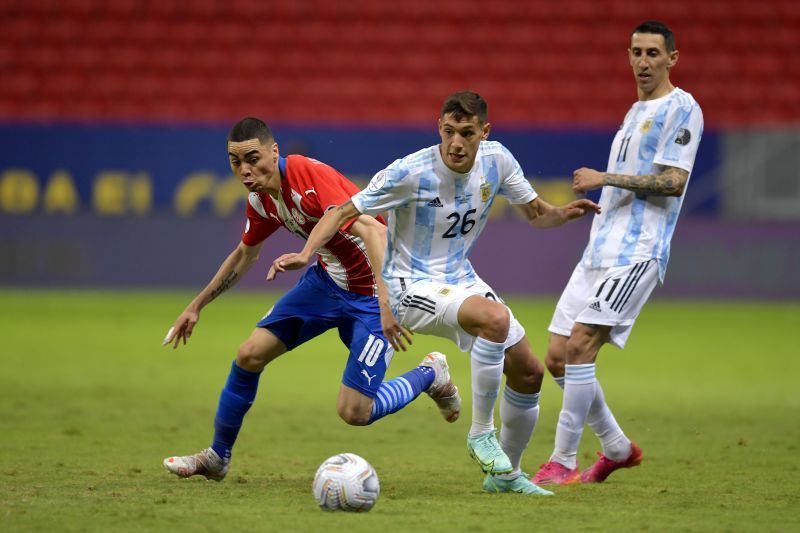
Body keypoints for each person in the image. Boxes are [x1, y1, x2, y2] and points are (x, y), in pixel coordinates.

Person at [268, 91, 600, 495]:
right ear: (438, 128)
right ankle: (481, 434)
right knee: (493, 320)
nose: (456, 143)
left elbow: (535, 214)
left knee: (528, 371)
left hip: (461, 279)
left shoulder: (498, 160)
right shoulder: (409, 172)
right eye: (448, 132)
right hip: (408, 285)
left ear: (484, 132)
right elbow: (341, 211)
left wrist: (564, 214)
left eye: (466, 133)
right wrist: (305, 253)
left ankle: (505, 475)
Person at [161, 117, 461, 481]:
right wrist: (197, 306)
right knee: (249, 354)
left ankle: (431, 373)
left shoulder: (304, 171)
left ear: (274, 152)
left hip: (372, 296)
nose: (244, 169)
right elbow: (244, 256)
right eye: (235, 161)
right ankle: (217, 457)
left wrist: (387, 304)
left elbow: (372, 230)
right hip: (325, 285)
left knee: (355, 412)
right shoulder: (261, 201)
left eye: (252, 158)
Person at [532, 20, 704, 485]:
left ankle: (562, 463)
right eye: (636, 52)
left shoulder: (683, 108)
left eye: (653, 53)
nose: (643, 62)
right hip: (599, 250)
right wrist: (600, 203)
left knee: (581, 345)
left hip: (638, 253)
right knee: (555, 355)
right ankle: (617, 448)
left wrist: (606, 179)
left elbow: (674, 182)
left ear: (672, 57)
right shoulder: (633, 112)